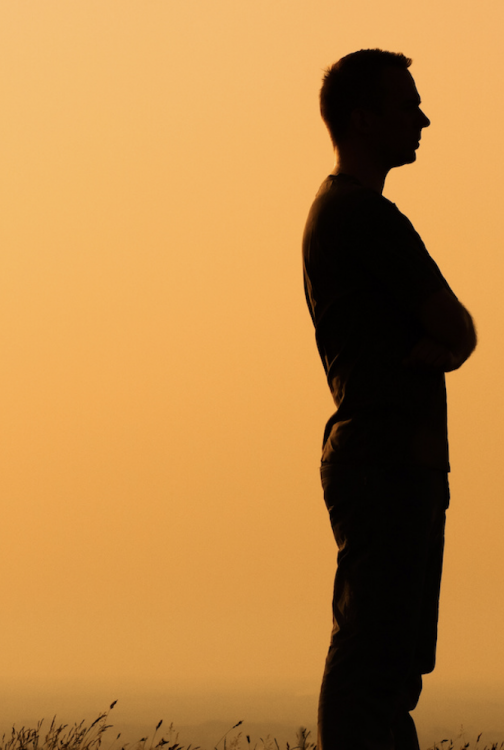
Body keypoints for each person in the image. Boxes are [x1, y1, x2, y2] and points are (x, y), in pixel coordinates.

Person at [302, 50, 476, 749]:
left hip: (385, 457)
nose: (423, 118)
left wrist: (453, 340)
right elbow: (454, 325)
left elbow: (454, 333)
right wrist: (452, 341)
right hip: (386, 460)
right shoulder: (365, 218)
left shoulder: (341, 212)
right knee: (376, 663)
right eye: (407, 104)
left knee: (388, 657)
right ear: (364, 118)